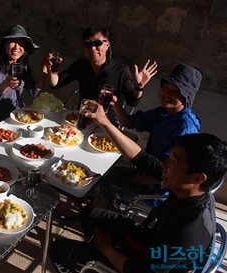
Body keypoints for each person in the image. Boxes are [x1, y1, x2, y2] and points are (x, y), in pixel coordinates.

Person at [49, 100, 227, 273]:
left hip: (143, 262)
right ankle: (92, 251)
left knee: (58, 249)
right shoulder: (188, 188)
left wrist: (106, 249)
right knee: (89, 214)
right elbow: (142, 158)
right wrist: (104, 121)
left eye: (173, 161)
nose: (164, 164)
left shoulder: (187, 233)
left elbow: (141, 270)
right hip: (150, 240)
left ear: (197, 178)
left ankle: (91, 262)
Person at [99, 64, 202, 207]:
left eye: (175, 91)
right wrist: (115, 103)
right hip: (146, 172)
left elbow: (178, 176)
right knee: (105, 173)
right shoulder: (163, 113)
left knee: (109, 187)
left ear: (187, 97)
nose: (167, 94)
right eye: (166, 87)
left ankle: (119, 222)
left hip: (159, 192)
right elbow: (128, 122)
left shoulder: (185, 129)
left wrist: (144, 180)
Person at [47, 25, 157, 111]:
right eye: (87, 44)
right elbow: (56, 84)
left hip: (107, 123)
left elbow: (132, 101)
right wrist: (52, 69)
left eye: (97, 43)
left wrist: (139, 87)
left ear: (107, 44)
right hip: (83, 116)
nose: (92, 48)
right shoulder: (81, 64)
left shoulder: (121, 70)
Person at [0, 24, 48, 121]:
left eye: (21, 43)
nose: (16, 47)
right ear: (5, 44)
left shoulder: (23, 66)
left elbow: (34, 92)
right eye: (12, 42)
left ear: (25, 47)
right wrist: (6, 84)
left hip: (15, 114)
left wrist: (44, 70)